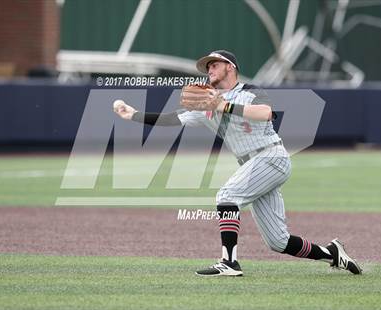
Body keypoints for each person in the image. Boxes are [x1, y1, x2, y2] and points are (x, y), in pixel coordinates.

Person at [114, 50, 362, 276]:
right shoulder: (206, 103)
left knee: (227, 195)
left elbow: (265, 112)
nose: (209, 70)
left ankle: (229, 263)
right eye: (207, 67)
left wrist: (223, 104)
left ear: (230, 67)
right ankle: (333, 253)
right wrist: (132, 114)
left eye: (214, 65)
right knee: (278, 242)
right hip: (254, 166)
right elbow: (172, 119)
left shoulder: (249, 92)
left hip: (271, 157)